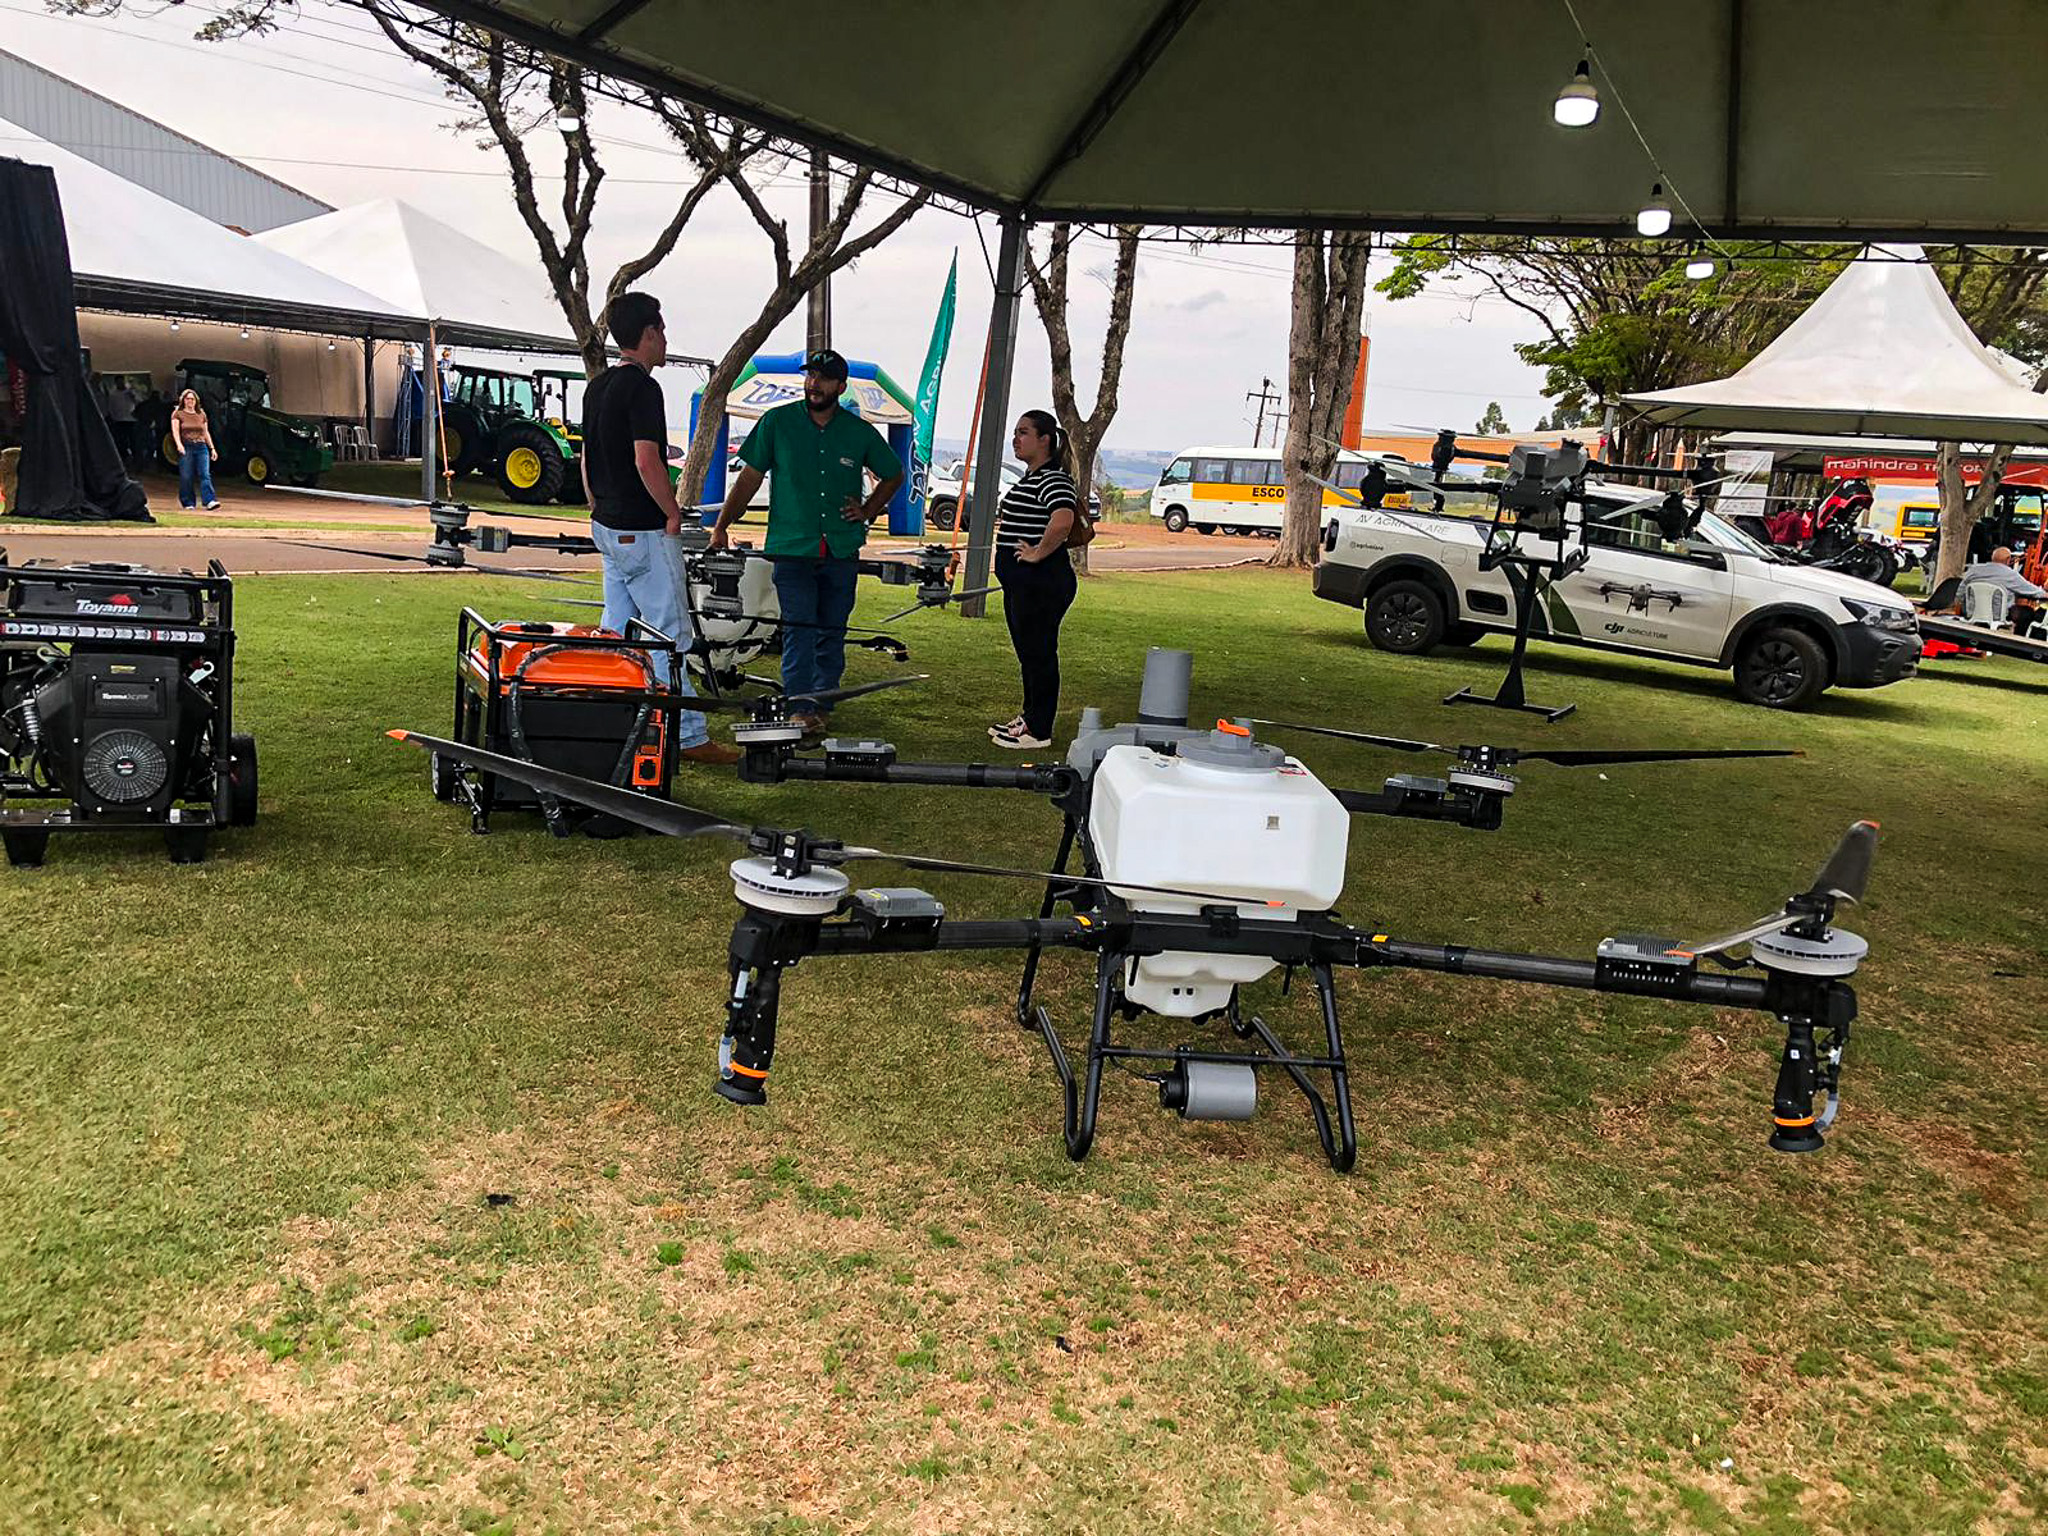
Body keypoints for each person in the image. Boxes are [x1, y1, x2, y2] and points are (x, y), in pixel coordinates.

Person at [579, 291, 738, 766]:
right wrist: (671, 512)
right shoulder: (644, 389)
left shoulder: (597, 387)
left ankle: (613, 719)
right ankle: (688, 736)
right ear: (648, 334)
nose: (666, 340)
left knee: (618, 629)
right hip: (643, 529)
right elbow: (646, 459)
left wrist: (595, 503)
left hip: (607, 524)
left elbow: (587, 457)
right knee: (669, 635)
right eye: (662, 331)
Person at [709, 349, 904, 733]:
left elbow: (893, 473)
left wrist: (868, 510)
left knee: (832, 630)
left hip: (841, 548)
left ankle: (821, 705)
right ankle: (799, 706)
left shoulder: (858, 431)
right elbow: (749, 478)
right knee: (799, 629)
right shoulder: (776, 422)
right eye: (810, 376)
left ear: (840, 387)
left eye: (824, 378)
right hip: (791, 548)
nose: (814, 384)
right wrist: (721, 525)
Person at [987, 411, 1081, 749]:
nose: (1016, 439)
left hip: (1042, 583)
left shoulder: (1053, 478)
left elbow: (1063, 519)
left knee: (1039, 654)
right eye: (1016, 432)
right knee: (1029, 654)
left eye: (1024, 432)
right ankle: (1029, 717)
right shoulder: (1032, 477)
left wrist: (1038, 553)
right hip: (1022, 584)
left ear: (1045, 440)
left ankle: (1039, 730)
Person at [1961, 546, 2046, 633]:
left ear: (1992, 557)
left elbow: (1960, 591)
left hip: (1971, 613)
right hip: (1998, 617)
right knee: (2027, 612)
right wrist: (2044, 593)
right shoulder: (2010, 575)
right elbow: (2033, 591)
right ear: (2008, 559)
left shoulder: (1973, 570)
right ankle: (2016, 639)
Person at [169, 388, 221, 510]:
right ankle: (188, 502)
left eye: (192, 399)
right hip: (187, 445)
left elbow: (206, 432)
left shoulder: (201, 414)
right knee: (186, 475)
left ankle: (209, 500)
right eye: (187, 399)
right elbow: (175, 431)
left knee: (205, 474)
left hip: (201, 446)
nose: (190, 401)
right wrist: (179, 444)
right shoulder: (178, 413)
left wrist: (212, 448)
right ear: (183, 400)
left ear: (196, 401)